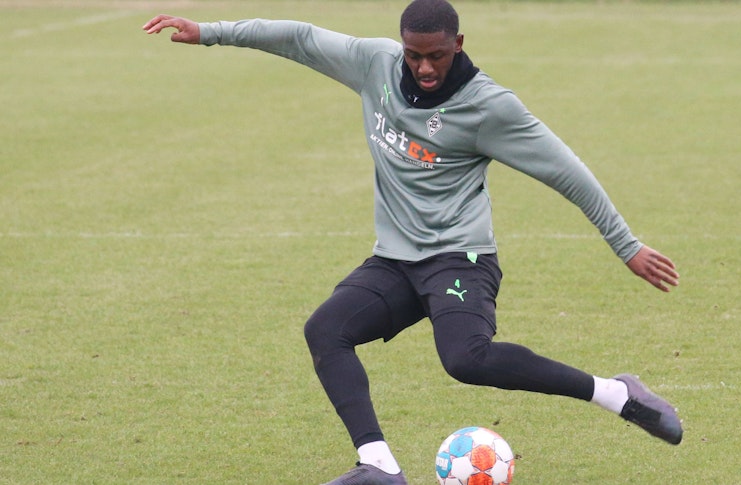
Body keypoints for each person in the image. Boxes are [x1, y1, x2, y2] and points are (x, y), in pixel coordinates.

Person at [144, 1, 682, 483]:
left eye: (437, 56)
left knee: (466, 359)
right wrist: (209, 31)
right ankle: (379, 466)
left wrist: (626, 245)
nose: (424, 67)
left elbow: (567, 172)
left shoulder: (489, 107)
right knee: (326, 330)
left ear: (458, 45)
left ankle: (615, 393)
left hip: (460, 257)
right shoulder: (374, 64)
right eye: (414, 55)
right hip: (396, 261)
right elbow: (300, 38)